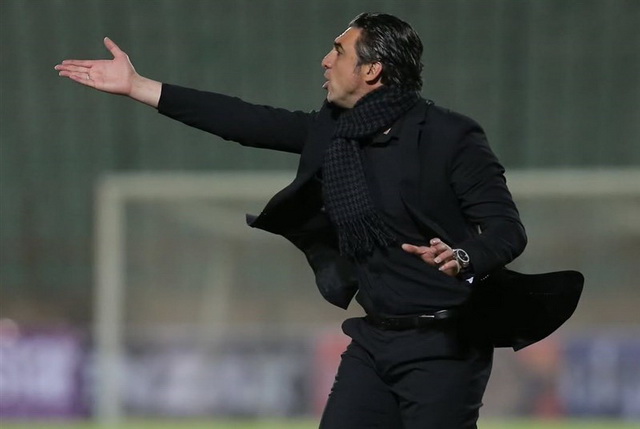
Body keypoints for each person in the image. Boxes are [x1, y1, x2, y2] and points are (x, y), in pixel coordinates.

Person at [56, 13, 528, 429]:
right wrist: (138, 86)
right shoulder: (337, 133)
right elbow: (246, 120)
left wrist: (463, 255)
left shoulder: (450, 135)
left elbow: (507, 231)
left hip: (445, 345)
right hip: (375, 338)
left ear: (372, 69)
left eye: (339, 51)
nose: (325, 60)